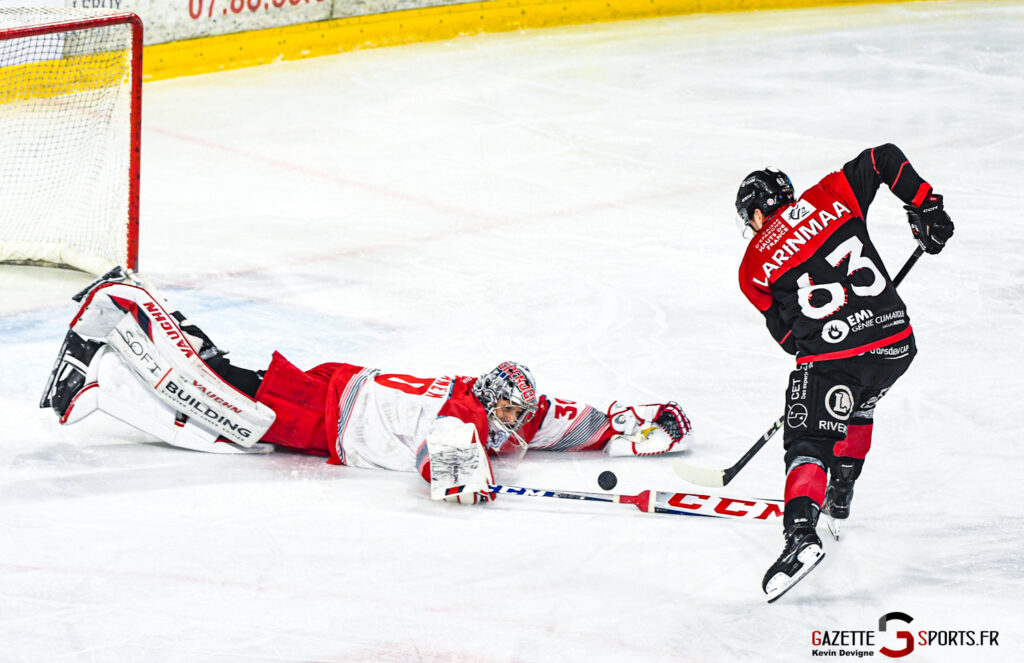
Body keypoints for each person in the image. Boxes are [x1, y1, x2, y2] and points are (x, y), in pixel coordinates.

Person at [40, 269, 693, 504]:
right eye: (507, 408)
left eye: (516, 410)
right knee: (211, 396)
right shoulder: (465, 410)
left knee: (219, 395)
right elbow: (443, 450)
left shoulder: (506, 408)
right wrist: (462, 479)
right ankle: (125, 302)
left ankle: (103, 372)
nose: (515, 419)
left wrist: (642, 422)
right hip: (324, 413)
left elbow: (574, 421)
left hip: (335, 394)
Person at [733, 144, 954, 601]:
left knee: (808, 438)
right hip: (896, 340)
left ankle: (800, 536)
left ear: (755, 213)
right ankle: (842, 490)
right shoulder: (832, 194)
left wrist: (832, 342)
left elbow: (789, 339)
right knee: (860, 402)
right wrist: (926, 206)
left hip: (837, 356)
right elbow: (883, 157)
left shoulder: (753, 264)